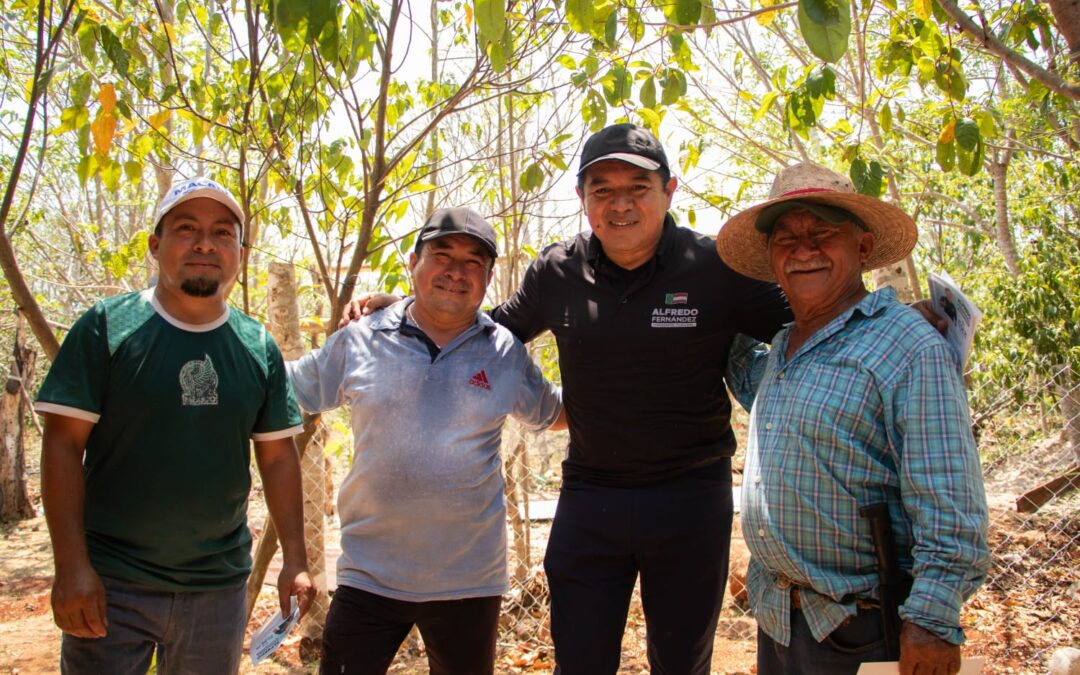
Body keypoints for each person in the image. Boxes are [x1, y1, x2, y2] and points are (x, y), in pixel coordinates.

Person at [346, 125, 794, 673]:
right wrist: (411, 306)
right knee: (580, 661)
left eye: (638, 188)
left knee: (681, 662)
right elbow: (488, 332)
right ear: (583, 198)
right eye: (602, 190)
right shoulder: (558, 272)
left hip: (691, 496)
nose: (620, 204)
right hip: (591, 494)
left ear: (670, 190)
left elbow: (806, 319)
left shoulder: (716, 267)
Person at [716, 162, 990, 675]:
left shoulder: (908, 346)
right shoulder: (784, 348)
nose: (804, 250)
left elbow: (949, 498)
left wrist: (932, 621)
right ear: (772, 258)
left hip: (864, 629)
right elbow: (746, 373)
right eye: (786, 239)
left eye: (822, 232)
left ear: (862, 247)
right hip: (780, 620)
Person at [35, 177, 315, 674]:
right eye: (186, 228)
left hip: (217, 588)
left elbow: (277, 457)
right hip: (112, 582)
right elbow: (62, 444)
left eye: (222, 232)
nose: (205, 243)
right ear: (155, 244)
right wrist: (71, 567)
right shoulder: (108, 327)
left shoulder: (257, 346)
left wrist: (295, 559)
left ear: (240, 253)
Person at [287, 207, 565, 675]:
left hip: (469, 582)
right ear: (414, 262)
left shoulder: (503, 352)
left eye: (473, 262)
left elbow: (556, 412)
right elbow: (286, 388)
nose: (457, 271)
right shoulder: (362, 337)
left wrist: (638, 389)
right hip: (369, 575)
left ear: (488, 278)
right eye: (442, 255)